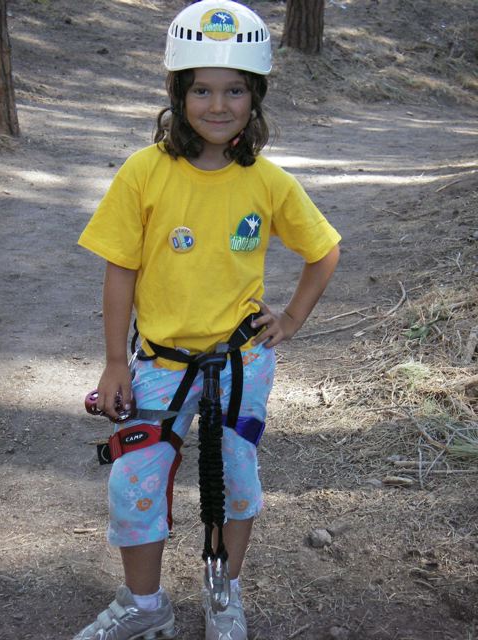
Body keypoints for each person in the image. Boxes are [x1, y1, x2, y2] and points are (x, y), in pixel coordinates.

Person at [74, 1, 341, 639]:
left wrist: (292, 318)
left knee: (235, 480)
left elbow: (324, 250)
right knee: (134, 481)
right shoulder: (144, 173)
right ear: (178, 93)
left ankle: (224, 591)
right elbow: (120, 269)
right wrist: (114, 362)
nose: (218, 105)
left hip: (241, 363)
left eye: (235, 90)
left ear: (256, 98)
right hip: (160, 363)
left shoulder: (267, 181)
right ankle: (144, 605)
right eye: (201, 89)